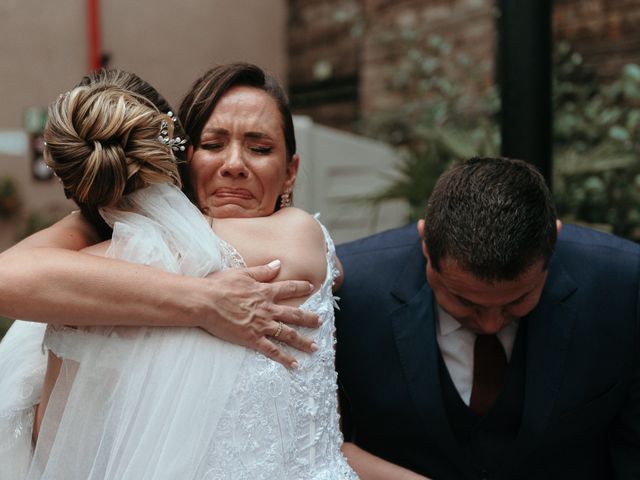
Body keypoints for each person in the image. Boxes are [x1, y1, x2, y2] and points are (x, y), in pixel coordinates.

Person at [0, 66, 359, 479]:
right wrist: (203, 300)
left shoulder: (94, 278)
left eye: (259, 148)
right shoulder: (120, 276)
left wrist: (98, 212)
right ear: (183, 161)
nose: (234, 164)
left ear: (290, 171)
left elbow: (15, 275)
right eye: (212, 144)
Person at [335, 157, 640, 479]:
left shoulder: (624, 285)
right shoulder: (349, 291)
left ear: (554, 242)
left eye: (517, 301)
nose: (491, 324)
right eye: (464, 301)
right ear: (425, 242)